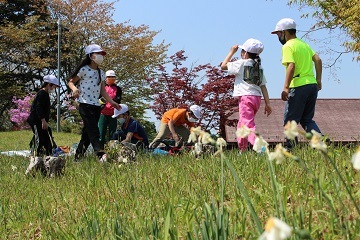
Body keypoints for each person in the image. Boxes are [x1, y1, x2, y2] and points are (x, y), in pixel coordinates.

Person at [271, 18, 323, 149]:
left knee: (290, 121)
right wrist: (318, 80)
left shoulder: (288, 46)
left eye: (278, 34)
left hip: (299, 86)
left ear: (284, 32)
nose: (278, 37)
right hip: (312, 86)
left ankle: (291, 149)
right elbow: (318, 60)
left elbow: (291, 66)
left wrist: (285, 87)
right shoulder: (304, 44)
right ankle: (320, 144)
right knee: (307, 119)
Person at [68, 44, 120, 162]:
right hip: (84, 104)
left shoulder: (101, 73)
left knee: (87, 133)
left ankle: (78, 158)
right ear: (91, 56)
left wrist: (112, 102)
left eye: (102, 54)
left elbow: (103, 91)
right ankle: (100, 154)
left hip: (96, 105)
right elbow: (71, 82)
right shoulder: (84, 69)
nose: (101, 56)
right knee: (94, 130)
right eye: (98, 53)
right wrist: (75, 89)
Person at [221, 38, 272, 152]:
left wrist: (231, 52)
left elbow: (223, 66)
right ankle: (242, 149)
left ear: (245, 53)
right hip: (257, 98)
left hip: (245, 98)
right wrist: (268, 103)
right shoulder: (259, 67)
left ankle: (260, 147)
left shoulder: (241, 63)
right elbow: (263, 86)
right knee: (242, 124)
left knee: (248, 126)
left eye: (241, 52)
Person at [27, 75, 60, 156]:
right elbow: (39, 108)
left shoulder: (45, 94)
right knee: (40, 138)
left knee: (46, 139)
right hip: (36, 120)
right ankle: (36, 154)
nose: (53, 89)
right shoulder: (42, 94)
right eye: (53, 87)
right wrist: (43, 120)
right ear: (49, 84)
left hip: (41, 120)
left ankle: (47, 153)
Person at [98, 70, 122, 146]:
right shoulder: (102, 87)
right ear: (106, 78)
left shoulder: (118, 89)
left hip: (113, 114)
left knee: (112, 134)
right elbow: (98, 97)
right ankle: (100, 150)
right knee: (101, 133)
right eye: (109, 77)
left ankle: (111, 150)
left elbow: (118, 99)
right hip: (102, 113)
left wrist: (111, 101)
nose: (111, 78)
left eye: (113, 77)